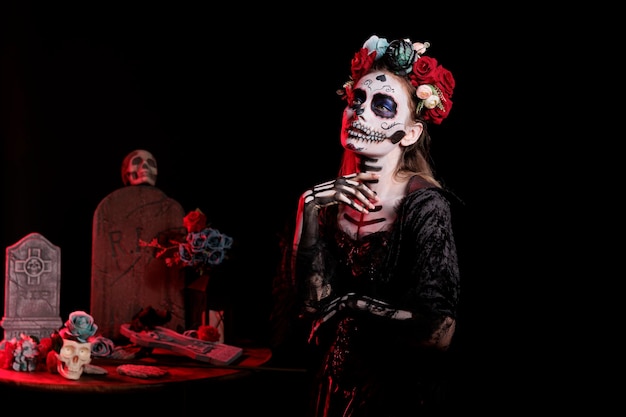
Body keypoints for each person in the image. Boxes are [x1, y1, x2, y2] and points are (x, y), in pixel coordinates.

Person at [271, 34, 462, 416]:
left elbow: (439, 331)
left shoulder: (424, 206)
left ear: (410, 133)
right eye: (356, 101)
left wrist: (354, 304)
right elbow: (311, 304)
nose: (360, 112)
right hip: (334, 390)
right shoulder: (329, 201)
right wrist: (306, 210)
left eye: (383, 105)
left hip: (397, 396)